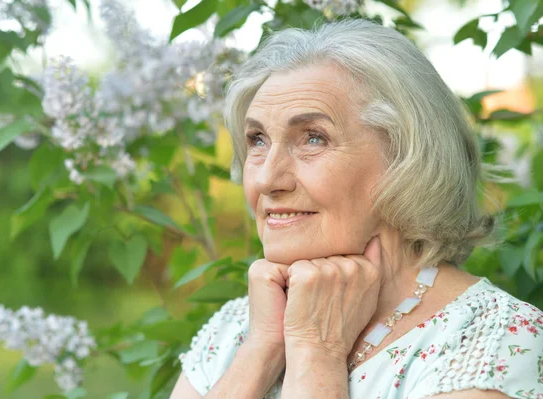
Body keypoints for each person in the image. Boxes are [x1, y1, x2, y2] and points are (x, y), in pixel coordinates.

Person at [169, 18, 543, 399]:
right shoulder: (239, 327)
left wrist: (318, 354)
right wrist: (262, 350)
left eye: (313, 138)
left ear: (405, 157)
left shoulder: (492, 342)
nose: (266, 179)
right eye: (258, 140)